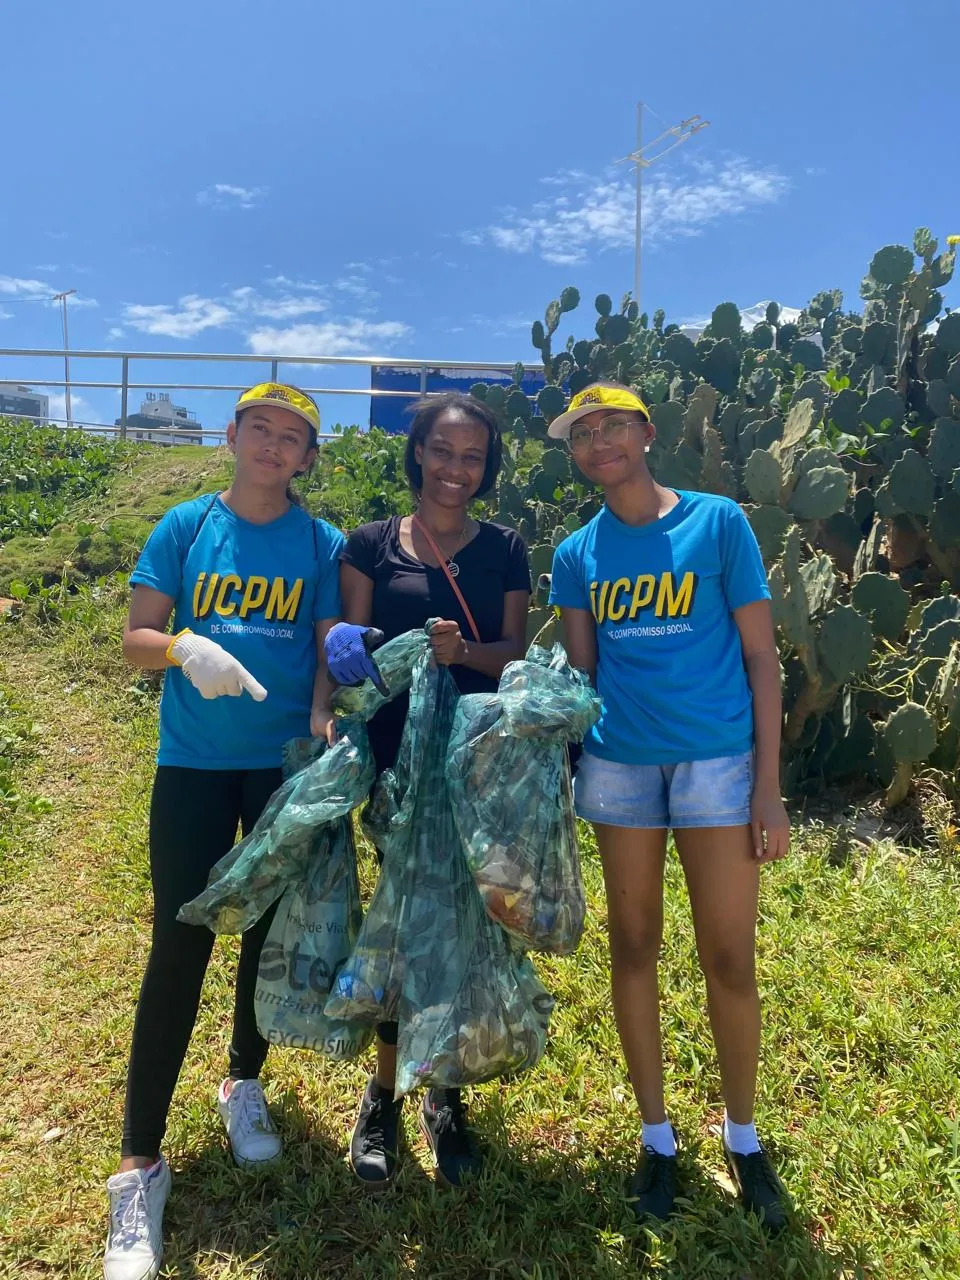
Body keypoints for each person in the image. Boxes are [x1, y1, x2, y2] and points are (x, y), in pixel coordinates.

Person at [104, 383, 344, 1280]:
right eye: (261, 431)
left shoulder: (319, 544)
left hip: (279, 765)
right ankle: (139, 1164)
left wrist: (321, 722)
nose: (275, 449)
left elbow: (325, 648)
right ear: (233, 437)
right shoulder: (184, 526)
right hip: (195, 766)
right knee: (180, 939)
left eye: (293, 439)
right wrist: (177, 649)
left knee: (266, 932)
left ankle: (243, 1082)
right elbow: (133, 636)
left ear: (308, 457)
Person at [548, 382, 791, 1231]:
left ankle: (743, 1137)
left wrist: (768, 785)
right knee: (635, 946)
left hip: (720, 768)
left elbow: (762, 659)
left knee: (730, 957)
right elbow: (582, 681)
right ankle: (657, 1141)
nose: (599, 442)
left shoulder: (718, 523)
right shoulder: (577, 554)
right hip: (619, 771)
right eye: (584, 434)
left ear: (648, 433)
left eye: (614, 425)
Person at [324, 392, 530, 1190]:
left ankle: (444, 1095)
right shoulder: (369, 545)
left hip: (475, 768)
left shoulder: (507, 547)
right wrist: (350, 650)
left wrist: (462, 652)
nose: (455, 469)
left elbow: (513, 654)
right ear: (416, 454)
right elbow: (353, 660)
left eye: (472, 456)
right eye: (442, 452)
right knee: (398, 925)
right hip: (392, 767)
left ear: (488, 466)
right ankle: (382, 1095)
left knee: (466, 928)